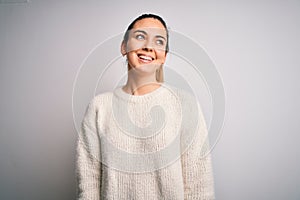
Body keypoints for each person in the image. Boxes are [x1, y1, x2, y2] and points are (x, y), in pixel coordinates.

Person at [76, 13, 215, 200]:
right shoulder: (98, 108)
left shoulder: (186, 105)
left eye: (159, 41)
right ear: (124, 47)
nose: (149, 46)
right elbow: (88, 184)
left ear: (164, 55)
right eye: (140, 36)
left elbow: (199, 184)